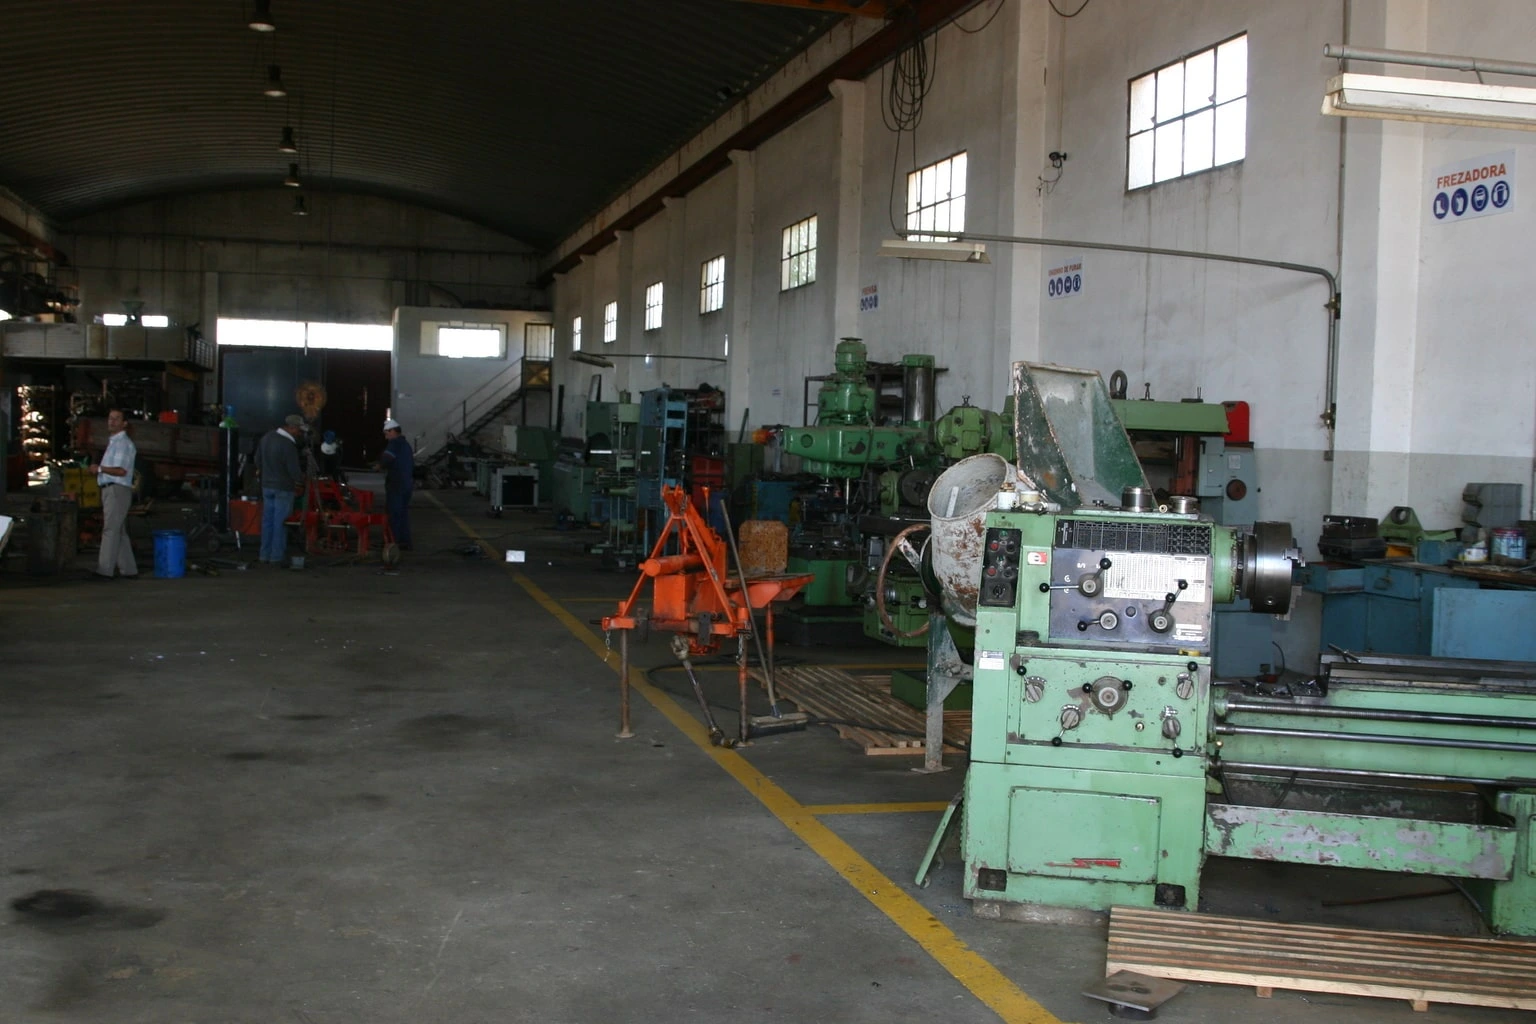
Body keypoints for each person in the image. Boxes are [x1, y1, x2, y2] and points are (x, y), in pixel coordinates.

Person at [89, 408, 138, 579]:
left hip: (117, 489)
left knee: (110, 530)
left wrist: (99, 469)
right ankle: (129, 569)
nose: (112, 421)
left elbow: (121, 471)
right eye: (110, 418)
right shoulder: (114, 442)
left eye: (117, 419)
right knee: (119, 530)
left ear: (124, 424)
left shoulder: (123, 444)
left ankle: (104, 570)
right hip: (112, 489)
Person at [256, 413, 305, 565]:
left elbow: (257, 460)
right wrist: (301, 481)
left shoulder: (266, 438)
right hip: (283, 488)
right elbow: (294, 471)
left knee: (267, 522)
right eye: (299, 430)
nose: (299, 433)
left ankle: (264, 554)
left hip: (266, 486)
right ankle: (276, 556)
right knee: (280, 523)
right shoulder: (288, 445)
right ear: (292, 428)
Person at [380, 418, 414, 551]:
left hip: (396, 484)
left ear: (393, 431)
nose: (386, 437)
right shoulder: (406, 444)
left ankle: (393, 542)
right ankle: (404, 541)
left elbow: (386, 459)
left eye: (387, 433)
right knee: (403, 513)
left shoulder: (394, 444)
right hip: (406, 484)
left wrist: (379, 466)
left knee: (394, 513)